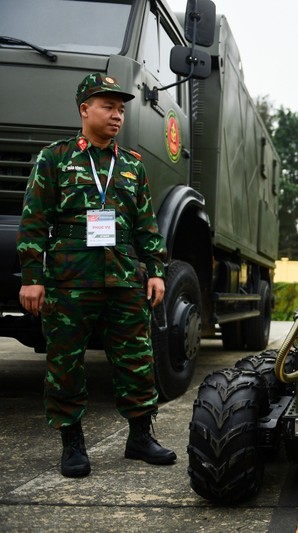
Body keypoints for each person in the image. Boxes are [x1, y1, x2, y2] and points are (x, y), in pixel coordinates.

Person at [17, 73, 177, 478]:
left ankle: (140, 437)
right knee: (65, 363)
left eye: (121, 108)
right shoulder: (54, 159)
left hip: (123, 279)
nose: (117, 115)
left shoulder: (131, 167)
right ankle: (72, 444)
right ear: (84, 109)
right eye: (108, 106)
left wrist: (156, 271)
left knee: (137, 361)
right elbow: (35, 222)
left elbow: (145, 225)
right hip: (70, 280)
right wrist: (32, 277)